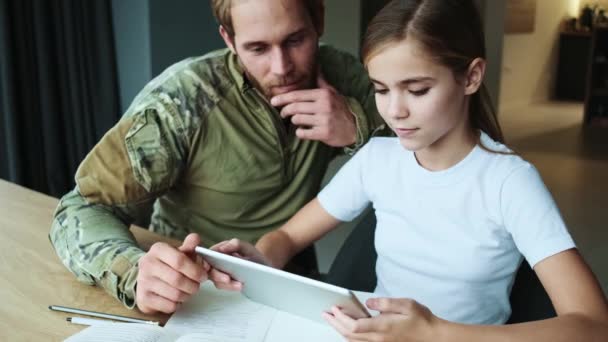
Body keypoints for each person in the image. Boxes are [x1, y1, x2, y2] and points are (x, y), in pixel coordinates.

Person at [209, 0, 608, 340]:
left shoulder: (508, 183)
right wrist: (259, 258)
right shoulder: (378, 159)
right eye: (381, 89)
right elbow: (288, 235)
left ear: (471, 77)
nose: (395, 110)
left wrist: (435, 333)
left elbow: (593, 325)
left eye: (417, 90)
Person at [49, 0, 387, 315]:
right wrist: (133, 272)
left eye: (295, 40)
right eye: (257, 48)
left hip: (287, 282)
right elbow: (81, 208)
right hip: (191, 289)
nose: (282, 67)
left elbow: (428, 159)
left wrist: (358, 126)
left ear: (319, 22)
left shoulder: (343, 79)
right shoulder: (183, 102)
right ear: (228, 38)